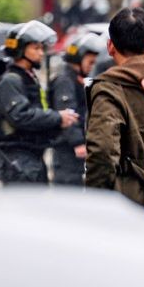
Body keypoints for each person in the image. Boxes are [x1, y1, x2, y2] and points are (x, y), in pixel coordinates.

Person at [85, 9, 144, 206]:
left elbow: (102, 151)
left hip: (130, 207)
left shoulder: (109, 90)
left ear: (110, 47)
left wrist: (96, 202)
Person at [0, 21, 77, 183]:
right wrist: (58, 117)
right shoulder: (10, 81)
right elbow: (21, 116)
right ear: (19, 49)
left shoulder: (28, 78)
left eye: (42, 48)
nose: (41, 53)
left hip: (32, 159)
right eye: (35, 48)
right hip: (17, 161)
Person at [49, 33, 104, 187]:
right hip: (67, 151)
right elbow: (68, 113)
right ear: (79, 58)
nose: (93, 66)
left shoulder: (77, 80)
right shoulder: (65, 81)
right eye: (90, 61)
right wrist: (78, 143)